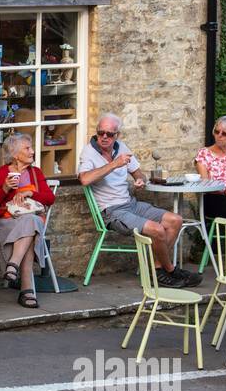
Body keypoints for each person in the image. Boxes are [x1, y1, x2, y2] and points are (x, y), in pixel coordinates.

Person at [78, 114, 201, 288]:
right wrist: (113, 164)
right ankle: (171, 270)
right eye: (100, 133)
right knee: (157, 230)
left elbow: (138, 173)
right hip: (111, 211)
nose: (104, 137)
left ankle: (157, 270)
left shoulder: (122, 148)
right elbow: (84, 179)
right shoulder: (88, 152)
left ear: (117, 135)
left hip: (131, 204)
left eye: (109, 134)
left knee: (175, 220)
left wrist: (140, 181)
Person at [0, 133, 56, 309]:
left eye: (31, 147)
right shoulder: (1, 173)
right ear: (15, 154)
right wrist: (5, 188)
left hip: (30, 219)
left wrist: (31, 193)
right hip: (5, 221)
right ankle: (27, 291)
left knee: (31, 221)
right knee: (32, 230)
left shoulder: (35, 172)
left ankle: (13, 264)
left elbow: (49, 198)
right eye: (27, 148)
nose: (32, 151)